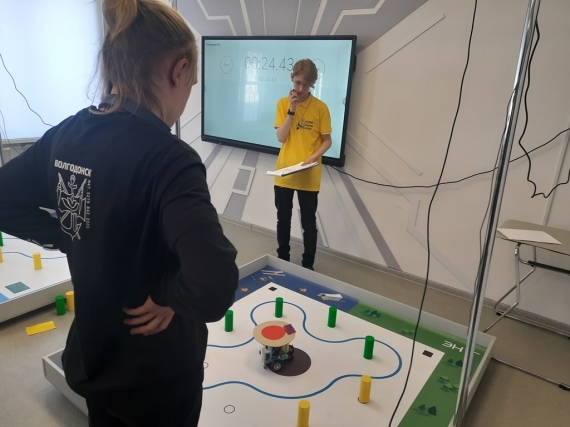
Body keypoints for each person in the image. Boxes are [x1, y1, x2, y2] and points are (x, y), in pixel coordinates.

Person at [0, 1, 238, 426]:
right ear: (180, 70)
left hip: (96, 359)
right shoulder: (170, 160)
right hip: (158, 376)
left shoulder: (65, 135)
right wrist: (167, 296)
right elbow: (213, 283)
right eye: (192, 83)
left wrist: (67, 231)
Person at [273, 59, 332, 270]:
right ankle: (282, 261)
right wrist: (292, 109)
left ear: (312, 84)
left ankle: (308, 266)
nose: (300, 89)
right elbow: (281, 137)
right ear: (292, 77)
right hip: (284, 172)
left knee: (308, 223)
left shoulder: (321, 108)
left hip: (308, 173)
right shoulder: (282, 104)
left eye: (305, 85)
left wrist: (313, 157)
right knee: (283, 219)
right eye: (297, 83)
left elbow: (327, 141)